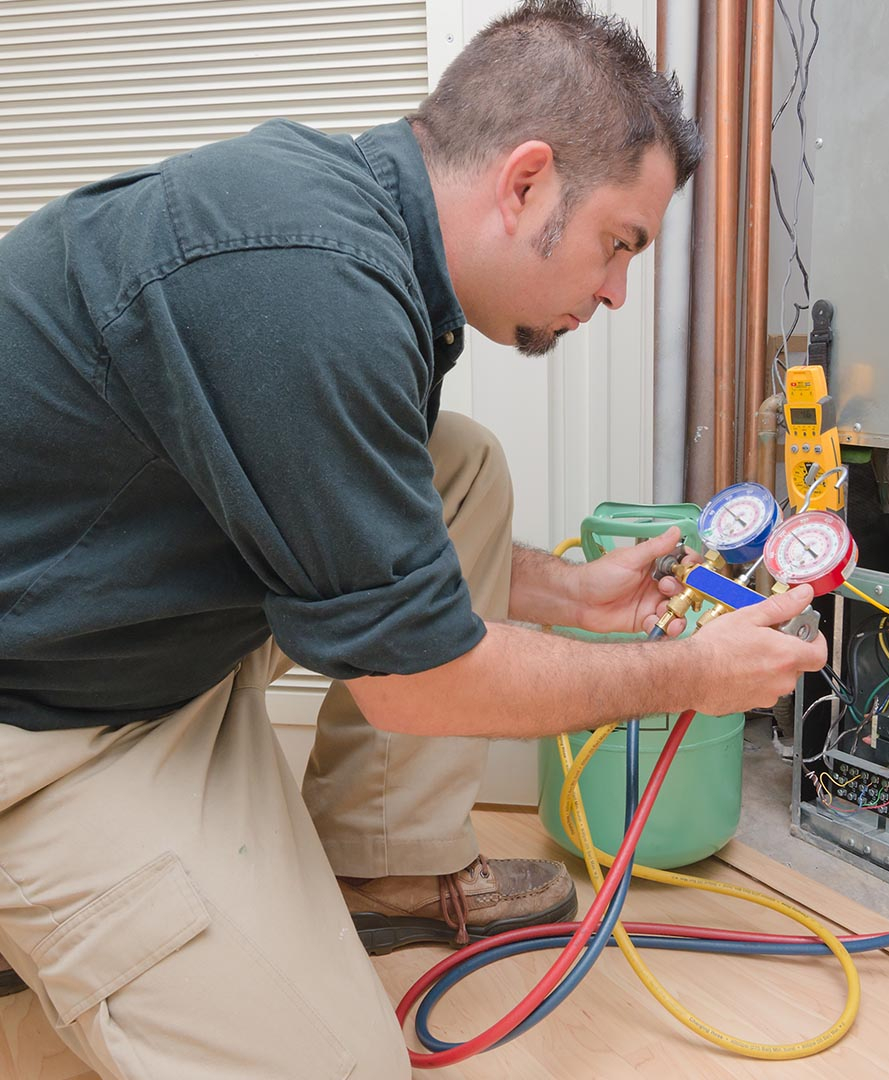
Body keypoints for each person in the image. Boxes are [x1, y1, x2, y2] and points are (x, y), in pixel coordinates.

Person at [0, 0, 827, 1075]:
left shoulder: (349, 225)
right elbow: (418, 681)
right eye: (617, 244)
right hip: (45, 711)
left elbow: (359, 527)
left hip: (118, 614)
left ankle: (376, 865)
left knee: (461, 464)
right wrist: (690, 675)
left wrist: (573, 594)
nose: (617, 292)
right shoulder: (309, 291)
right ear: (526, 182)